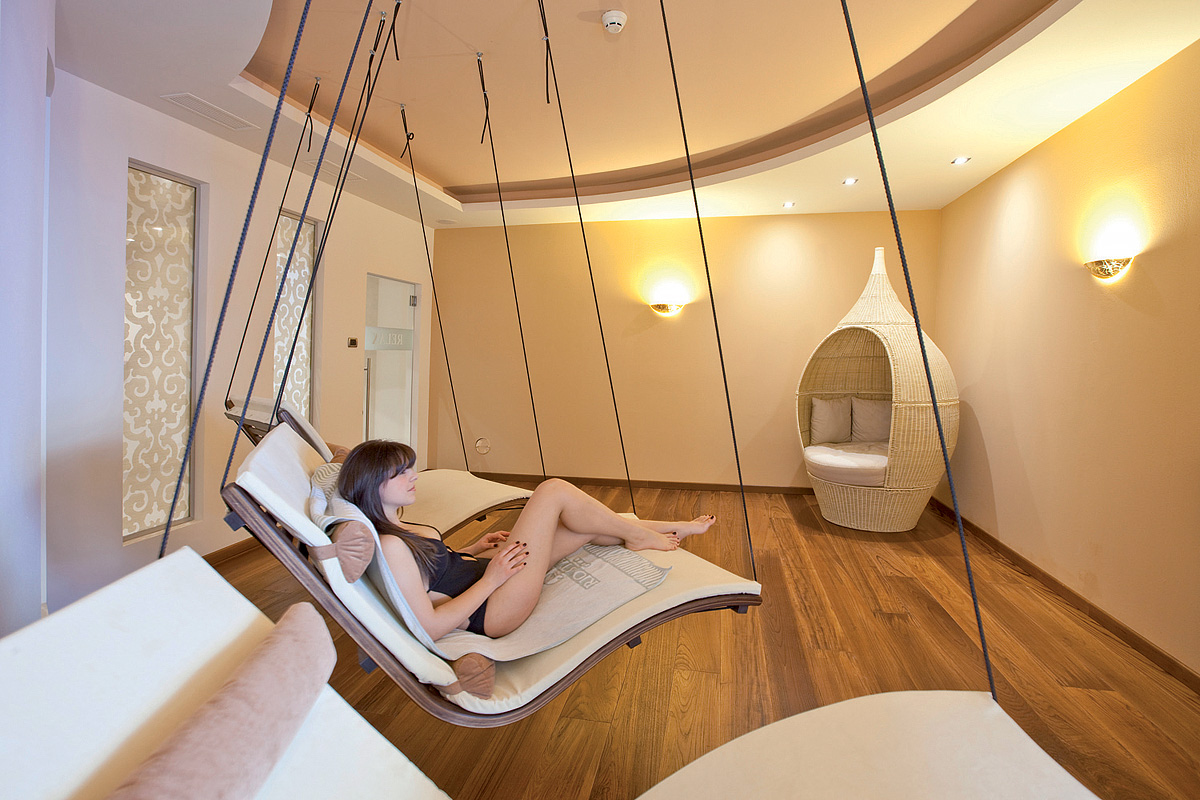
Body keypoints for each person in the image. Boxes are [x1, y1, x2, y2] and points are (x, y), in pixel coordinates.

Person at [337, 440, 716, 640]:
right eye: (400, 473)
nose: (414, 476)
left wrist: (473, 549)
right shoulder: (390, 546)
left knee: (580, 526)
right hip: (494, 607)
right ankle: (639, 535)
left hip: (490, 573)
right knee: (552, 491)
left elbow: (433, 572)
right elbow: (430, 626)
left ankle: (664, 527)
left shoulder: (401, 529)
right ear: (372, 485)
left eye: (410, 468)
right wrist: (492, 579)